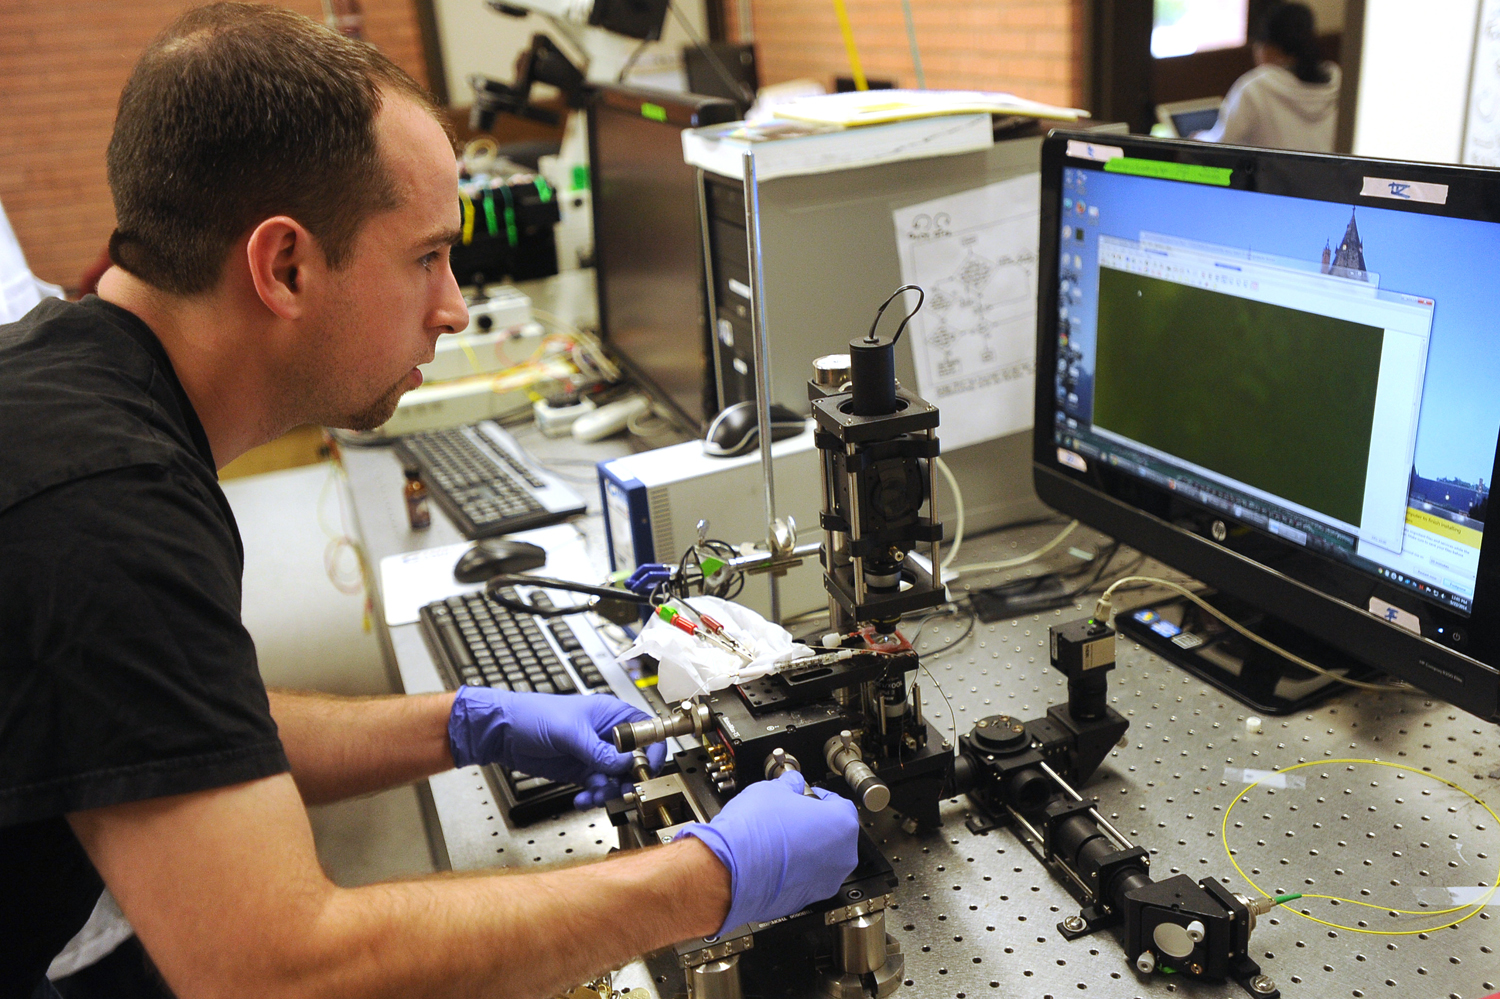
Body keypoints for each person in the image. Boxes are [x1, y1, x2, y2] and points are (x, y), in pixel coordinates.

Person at [0, 5, 861, 998]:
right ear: (284, 266)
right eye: (425, 257)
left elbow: (173, 720)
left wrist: (461, 723)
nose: (453, 306)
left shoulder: (79, 383)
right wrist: (709, 877)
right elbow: (277, 969)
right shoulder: (107, 510)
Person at [1195, 2, 1341, 153]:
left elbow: (1221, 144)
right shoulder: (1337, 80)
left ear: (1268, 47)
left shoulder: (1255, 87)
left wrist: (1199, 138)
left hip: (1271, 177)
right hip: (1332, 176)